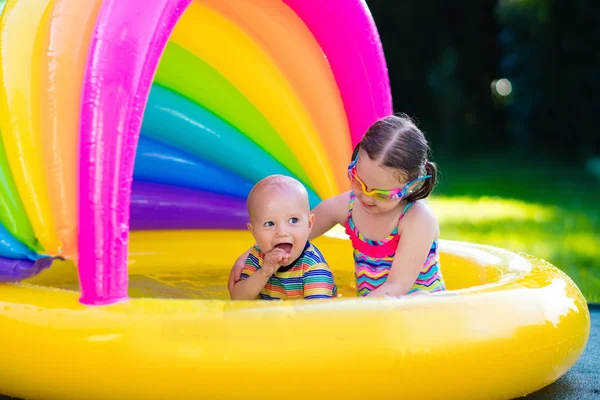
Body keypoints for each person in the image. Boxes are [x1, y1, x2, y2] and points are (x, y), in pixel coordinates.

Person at [229, 114, 445, 298]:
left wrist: (346, 314)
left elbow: (396, 288)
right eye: (359, 182)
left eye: (381, 194)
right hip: (374, 310)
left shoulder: (417, 219)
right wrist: (249, 256)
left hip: (420, 317)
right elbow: (293, 232)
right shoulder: (348, 206)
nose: (367, 197)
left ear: (411, 186)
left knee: (419, 299)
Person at [230, 174, 337, 300]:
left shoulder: (314, 268)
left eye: (293, 220)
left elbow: (317, 316)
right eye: (269, 223)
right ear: (253, 232)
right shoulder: (257, 256)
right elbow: (238, 299)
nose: (282, 232)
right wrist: (263, 273)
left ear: (309, 224)